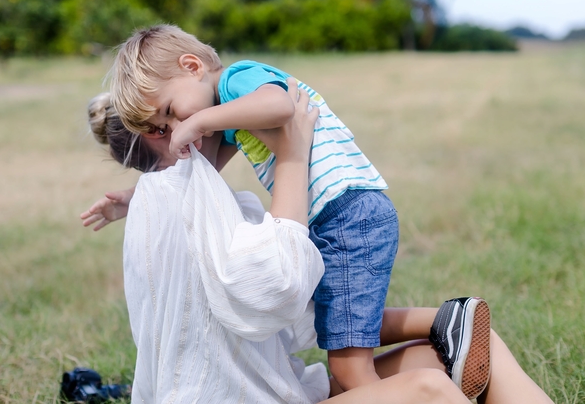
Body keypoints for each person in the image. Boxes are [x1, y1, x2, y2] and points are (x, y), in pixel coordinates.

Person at [82, 82, 554, 404]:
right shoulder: (178, 201)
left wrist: (437, 323)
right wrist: (291, 155)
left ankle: (456, 324)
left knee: (469, 344)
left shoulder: (188, 203)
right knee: (427, 388)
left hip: (286, 391)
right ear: (163, 133)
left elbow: (310, 321)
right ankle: (449, 327)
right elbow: (283, 289)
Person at [107, 24, 398, 391]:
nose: (176, 125)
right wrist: (139, 198)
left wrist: (198, 120)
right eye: (163, 126)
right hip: (339, 216)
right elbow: (201, 178)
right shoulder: (230, 115)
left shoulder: (236, 79)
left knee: (351, 371)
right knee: (341, 333)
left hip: (347, 214)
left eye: (169, 111)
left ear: (193, 66)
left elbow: (279, 107)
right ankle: (445, 327)